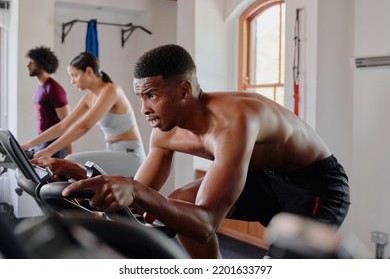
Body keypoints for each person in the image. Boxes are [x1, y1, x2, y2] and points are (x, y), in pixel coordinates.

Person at [42, 44, 350, 258]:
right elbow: (138, 206)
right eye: (141, 98)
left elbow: (204, 225)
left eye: (151, 96)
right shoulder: (164, 132)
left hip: (315, 185)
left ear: (184, 90)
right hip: (263, 178)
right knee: (178, 205)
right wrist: (83, 180)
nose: (144, 109)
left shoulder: (234, 121)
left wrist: (135, 190)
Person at [22, 52, 145, 172]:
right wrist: (29, 145)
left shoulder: (111, 90)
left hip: (131, 155)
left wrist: (49, 151)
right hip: (113, 151)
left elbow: (84, 126)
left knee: (71, 160)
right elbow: (63, 126)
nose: (72, 81)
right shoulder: (89, 98)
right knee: (70, 166)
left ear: (89, 71)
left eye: (75, 75)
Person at [26, 46, 71, 158]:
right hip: (42, 143)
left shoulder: (54, 89)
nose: (28, 65)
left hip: (55, 146)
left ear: (40, 64)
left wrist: (68, 150)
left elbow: (67, 122)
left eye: (31, 62)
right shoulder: (39, 88)